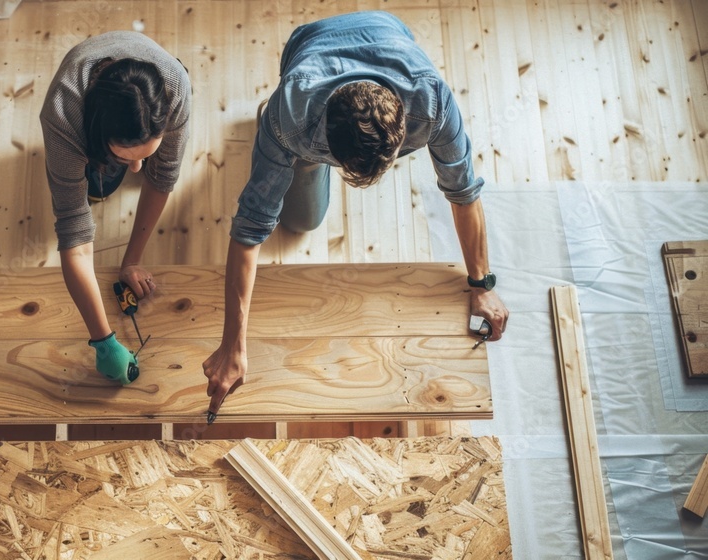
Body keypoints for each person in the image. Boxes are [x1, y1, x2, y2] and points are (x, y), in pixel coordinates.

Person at [202, 11, 509, 419]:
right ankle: (267, 126)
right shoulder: (293, 112)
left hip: (390, 30)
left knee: (303, 213)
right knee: (303, 221)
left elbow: (464, 191)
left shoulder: (431, 100)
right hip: (307, 47)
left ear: (403, 129)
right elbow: (250, 228)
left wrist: (482, 284)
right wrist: (232, 346)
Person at [41, 31, 190, 385]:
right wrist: (104, 341)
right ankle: (107, 166)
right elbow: (74, 234)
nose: (137, 170)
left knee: (144, 169)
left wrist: (132, 260)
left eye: (145, 155)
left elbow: (163, 175)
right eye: (126, 157)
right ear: (96, 133)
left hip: (159, 78)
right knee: (101, 184)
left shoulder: (176, 89)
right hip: (82, 113)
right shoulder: (62, 116)